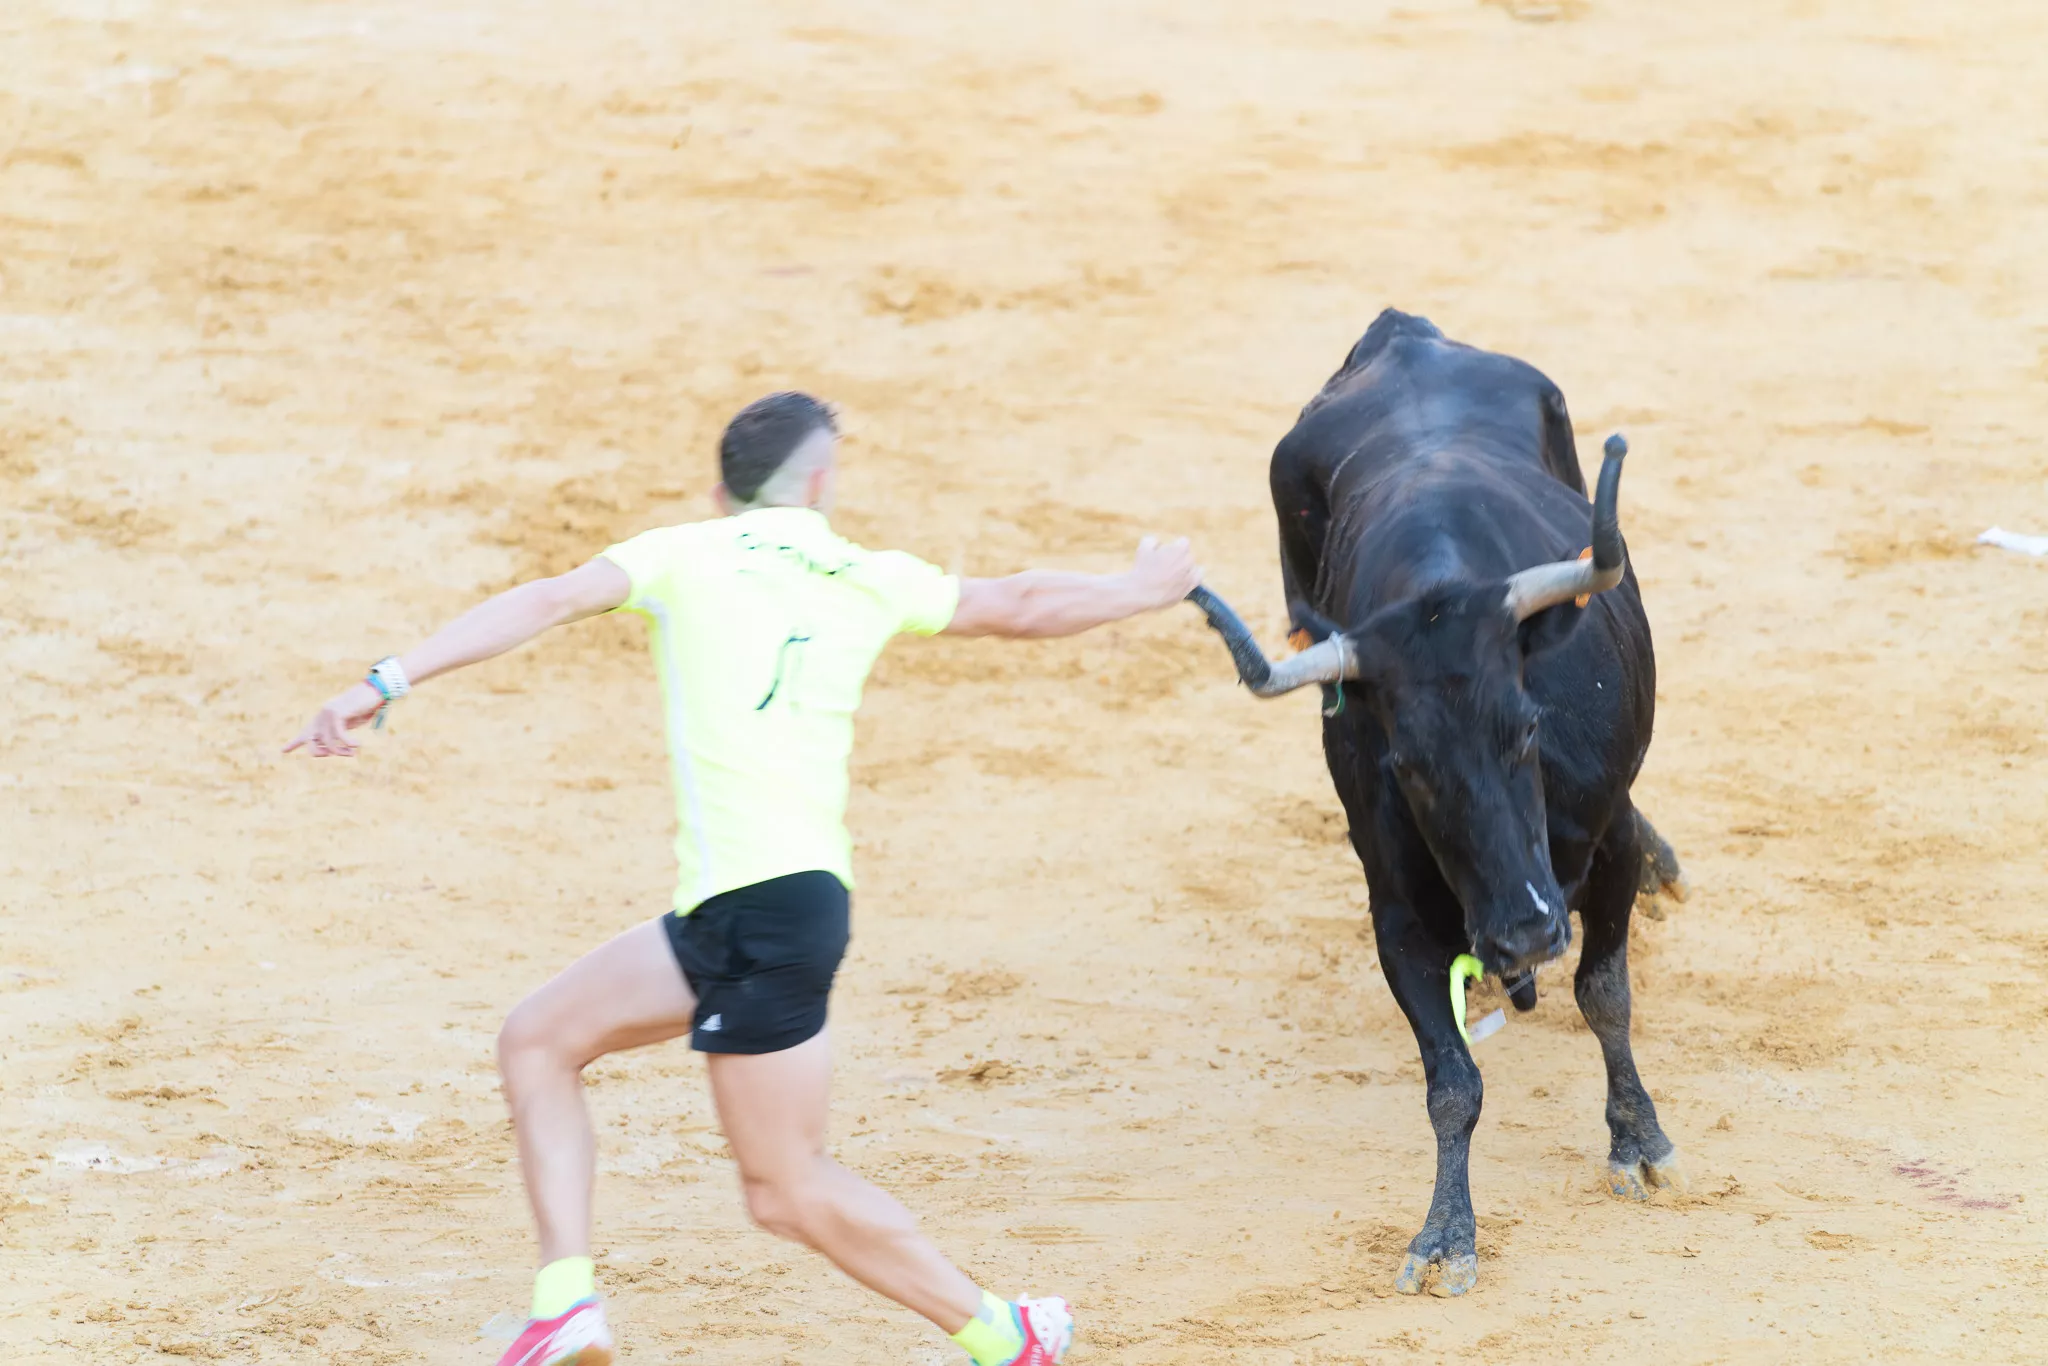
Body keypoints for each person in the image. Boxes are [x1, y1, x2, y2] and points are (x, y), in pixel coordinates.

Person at [285, 391, 1203, 1366]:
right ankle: (566, 1304)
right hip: (744, 909)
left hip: (763, 913)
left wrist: (383, 680)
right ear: (817, 483)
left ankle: (1002, 1333)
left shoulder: (680, 552)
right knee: (539, 1040)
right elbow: (1016, 604)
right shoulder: (865, 573)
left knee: (786, 1186)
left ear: (721, 489)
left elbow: (543, 598)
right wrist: (1140, 587)